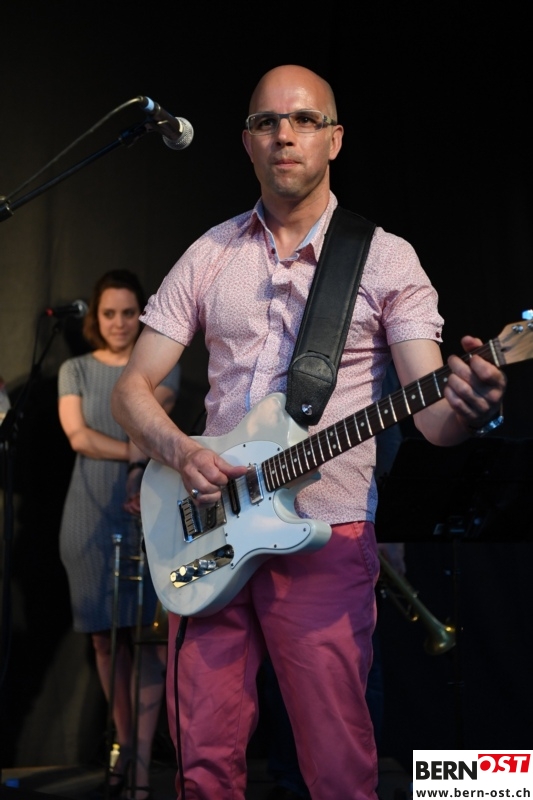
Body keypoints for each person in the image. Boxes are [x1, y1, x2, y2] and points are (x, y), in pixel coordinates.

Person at [111, 65, 506, 800]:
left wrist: (470, 404)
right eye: (266, 122)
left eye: (303, 120)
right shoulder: (210, 252)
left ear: (335, 139)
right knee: (202, 765)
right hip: (210, 527)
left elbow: (432, 418)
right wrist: (181, 451)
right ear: (246, 142)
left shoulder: (386, 258)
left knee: (337, 768)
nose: (283, 135)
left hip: (327, 535)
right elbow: (131, 390)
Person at [58, 269, 180, 800]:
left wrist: (137, 459)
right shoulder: (75, 369)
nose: (119, 323)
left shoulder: (159, 366)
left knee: (148, 642)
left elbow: (152, 419)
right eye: (109, 313)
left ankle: (142, 764)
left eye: (129, 313)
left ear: (142, 316)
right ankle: (124, 747)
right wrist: (133, 453)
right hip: (87, 513)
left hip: (145, 508)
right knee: (104, 642)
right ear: (96, 317)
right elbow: (79, 437)